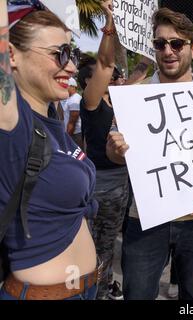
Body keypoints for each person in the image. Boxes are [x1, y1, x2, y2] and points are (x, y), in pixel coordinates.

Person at [106, 8, 193, 300]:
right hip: (144, 220)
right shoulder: (132, 99)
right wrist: (115, 150)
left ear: (191, 48)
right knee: (137, 294)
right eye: (160, 43)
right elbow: (114, 156)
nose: (168, 50)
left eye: (176, 43)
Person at [0, 1, 98, 300]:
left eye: (74, 54)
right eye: (60, 54)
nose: (71, 66)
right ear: (11, 55)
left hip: (87, 289)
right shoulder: (12, 125)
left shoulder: (52, 122)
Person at [77, 0, 151, 300]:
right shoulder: (91, 102)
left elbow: (143, 70)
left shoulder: (119, 97)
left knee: (107, 244)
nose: (116, 75)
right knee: (92, 245)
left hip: (121, 183)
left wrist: (147, 38)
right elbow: (106, 63)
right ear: (89, 82)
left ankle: (104, 288)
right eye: (107, 75)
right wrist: (110, 22)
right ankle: (91, 289)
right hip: (99, 186)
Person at [60, 77, 82, 148]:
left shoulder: (75, 99)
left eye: (66, 86)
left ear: (73, 87)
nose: (64, 88)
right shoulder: (70, 98)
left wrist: (67, 137)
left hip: (75, 134)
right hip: (72, 133)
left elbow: (73, 121)